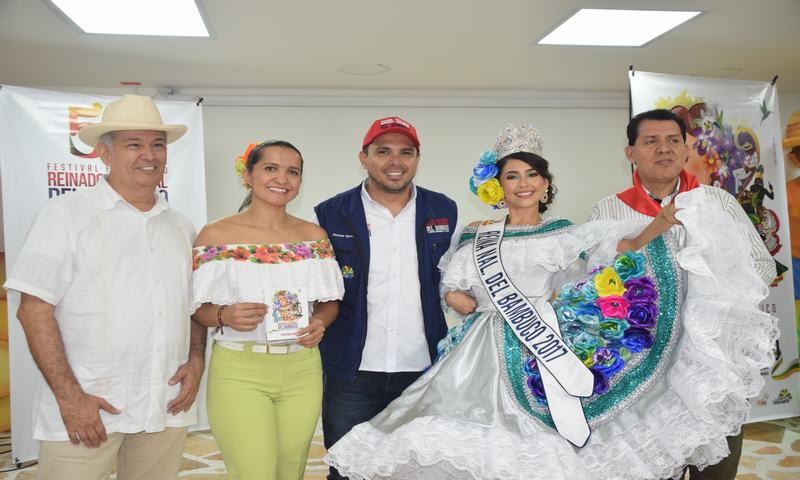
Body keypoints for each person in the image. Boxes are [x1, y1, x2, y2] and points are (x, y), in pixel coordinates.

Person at [325, 123, 777, 479]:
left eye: (532, 175)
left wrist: (659, 224)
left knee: (538, 449)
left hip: (541, 352)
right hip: (474, 357)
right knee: (448, 438)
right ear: (496, 185)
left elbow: (620, 251)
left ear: (545, 182)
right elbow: (451, 284)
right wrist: (456, 295)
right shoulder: (477, 234)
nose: (523, 184)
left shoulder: (566, 233)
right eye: (512, 176)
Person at [4, 94, 206, 480]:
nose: (149, 155)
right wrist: (69, 395)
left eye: (157, 144)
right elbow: (33, 309)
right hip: (89, 406)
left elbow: (194, 305)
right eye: (134, 144)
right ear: (104, 154)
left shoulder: (181, 226)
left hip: (163, 404)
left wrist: (197, 361)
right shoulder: (64, 216)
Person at [589, 109, 776, 480]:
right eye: (651, 141)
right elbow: (598, 282)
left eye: (673, 140)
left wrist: (713, 287)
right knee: (652, 465)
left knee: (716, 465)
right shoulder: (608, 209)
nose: (664, 149)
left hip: (712, 360)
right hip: (643, 363)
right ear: (631, 153)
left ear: (686, 148)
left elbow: (762, 267)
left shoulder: (717, 202)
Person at [313, 116, 458, 479]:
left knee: (419, 469)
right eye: (383, 151)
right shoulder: (331, 213)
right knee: (348, 468)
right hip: (352, 371)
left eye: (405, 152)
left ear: (417, 158)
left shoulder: (443, 210)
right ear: (364, 158)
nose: (396, 161)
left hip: (422, 369)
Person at [191, 140, 344, 480]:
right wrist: (223, 316)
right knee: (255, 473)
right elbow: (197, 309)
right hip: (239, 370)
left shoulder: (313, 237)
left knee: (291, 472)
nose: (282, 178)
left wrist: (319, 322)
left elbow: (329, 300)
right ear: (248, 175)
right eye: (270, 168)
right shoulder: (217, 234)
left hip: (302, 369)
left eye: (293, 171)